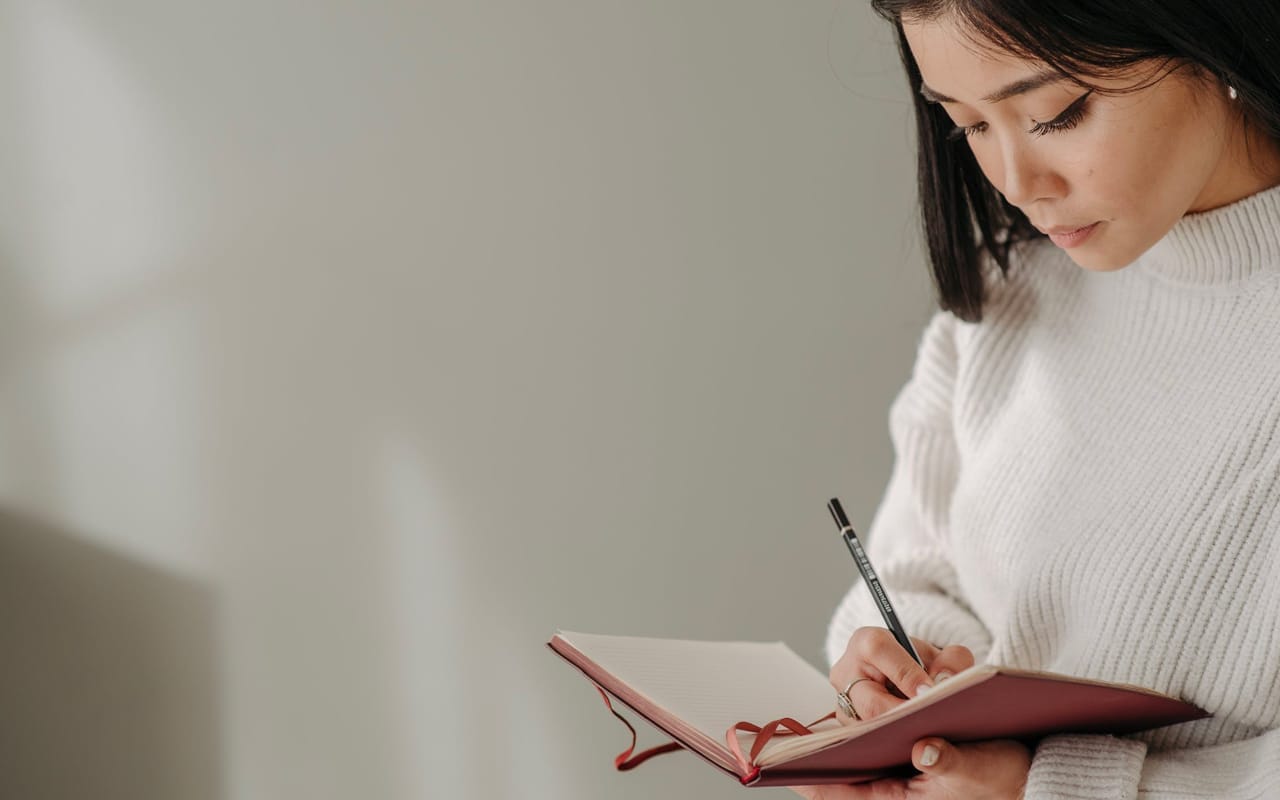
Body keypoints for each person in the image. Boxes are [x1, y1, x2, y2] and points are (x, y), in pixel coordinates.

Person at [793, 1, 1280, 798]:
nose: (1018, 185)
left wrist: (1045, 789)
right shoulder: (1010, 298)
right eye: (968, 127)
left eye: (1054, 114)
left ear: (1214, 34)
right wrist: (909, 685)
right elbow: (918, 573)